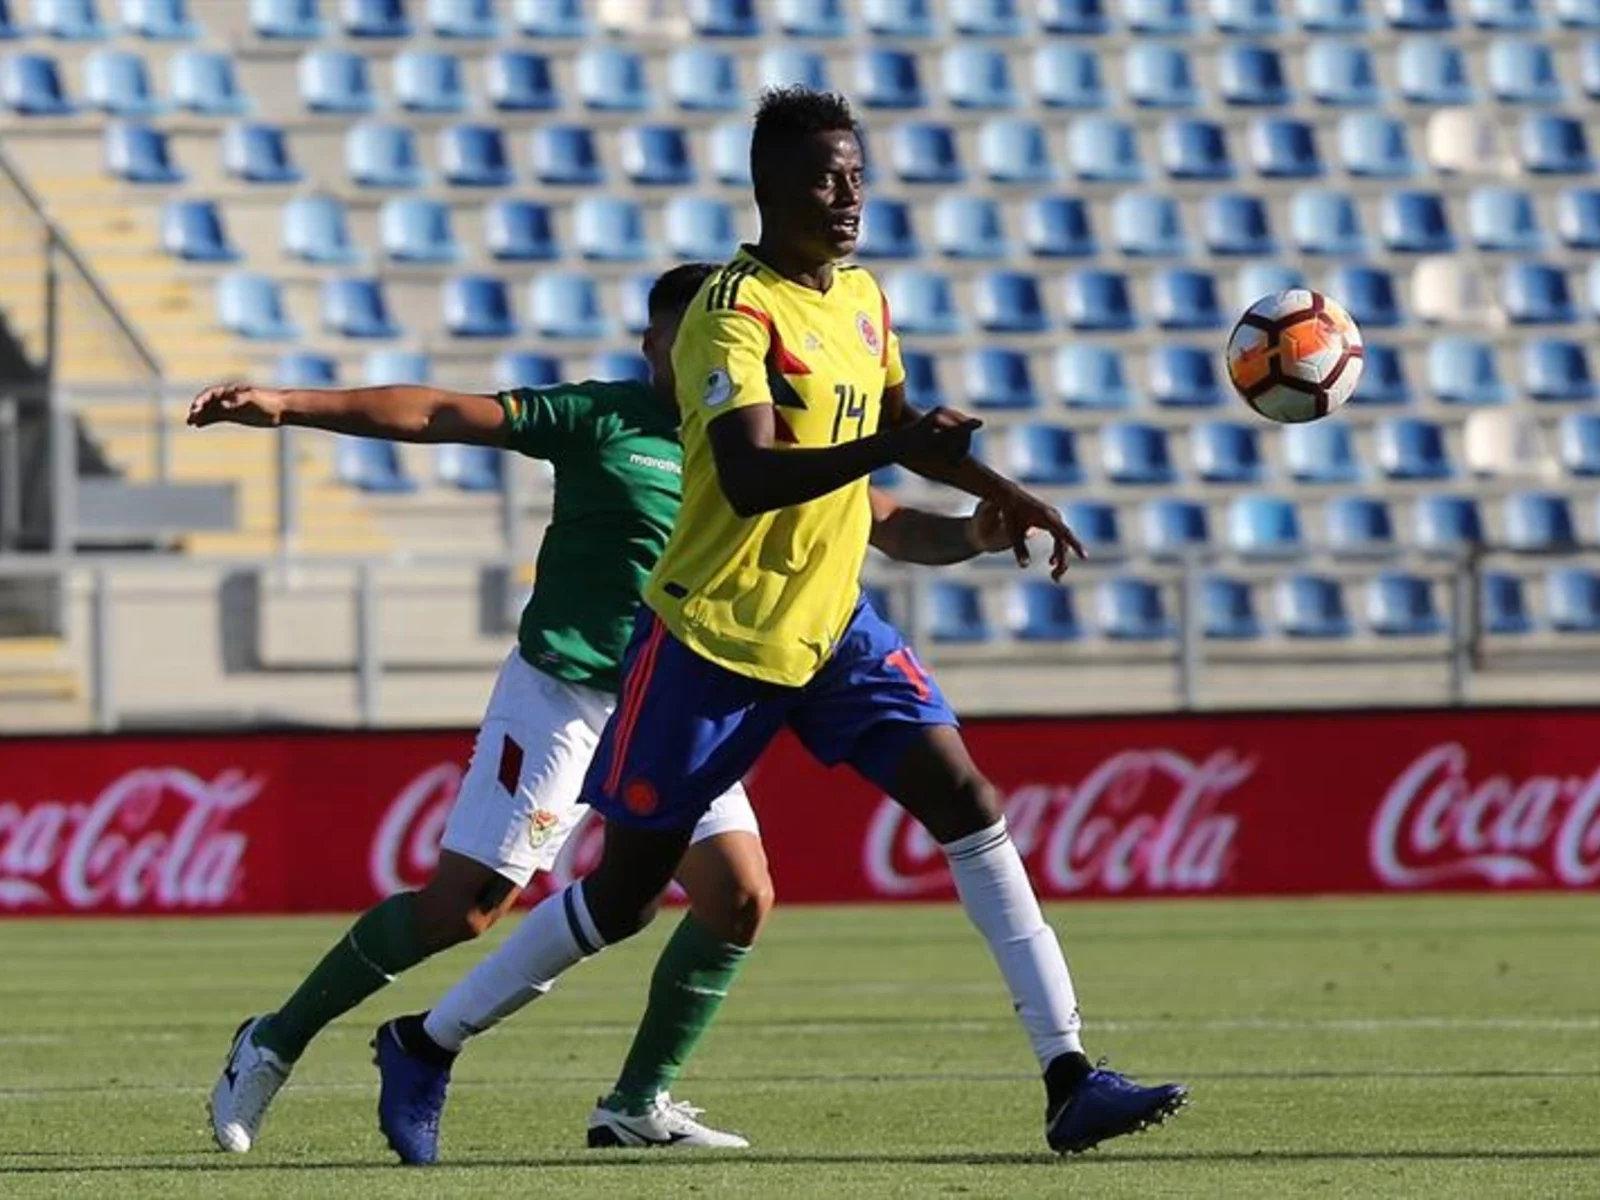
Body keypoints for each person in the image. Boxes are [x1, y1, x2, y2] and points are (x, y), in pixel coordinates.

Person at [372, 87, 1187, 1163]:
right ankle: (426, 1041)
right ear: (770, 190)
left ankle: (1068, 1073)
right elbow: (754, 476)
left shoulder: (862, 298)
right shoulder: (730, 309)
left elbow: (900, 433)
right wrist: (893, 452)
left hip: (834, 623)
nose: (848, 195)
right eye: (824, 177)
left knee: (966, 799)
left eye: (855, 173)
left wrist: (996, 503)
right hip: (712, 638)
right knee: (619, 899)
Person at [191, 262, 1023, 1157]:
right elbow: (440, 413)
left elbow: (888, 523)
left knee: (739, 899)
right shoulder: (604, 419)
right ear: (656, 347)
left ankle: (637, 1102)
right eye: (682, 340)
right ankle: (273, 1041)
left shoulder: (776, 443)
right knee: (463, 910)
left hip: (679, 697)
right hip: (565, 692)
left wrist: (974, 533)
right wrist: (285, 404)